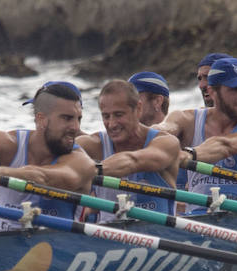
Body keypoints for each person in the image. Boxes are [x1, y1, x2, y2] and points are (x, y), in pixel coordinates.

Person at [160, 57, 237, 211]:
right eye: (235, 89)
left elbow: (225, 146)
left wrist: (189, 155)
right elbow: (162, 130)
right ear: (212, 92)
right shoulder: (185, 119)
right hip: (196, 224)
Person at [0, 81, 96, 227]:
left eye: (78, 119)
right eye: (67, 118)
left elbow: (42, 178)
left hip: (60, 247)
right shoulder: (5, 143)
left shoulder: (82, 162)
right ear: (41, 119)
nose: (76, 128)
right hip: (2, 246)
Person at [77, 80, 181, 221]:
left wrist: (89, 171)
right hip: (107, 239)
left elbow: (133, 161)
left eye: (119, 115)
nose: (112, 124)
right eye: (106, 116)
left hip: (162, 234)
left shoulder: (166, 143)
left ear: (138, 109)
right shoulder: (91, 145)